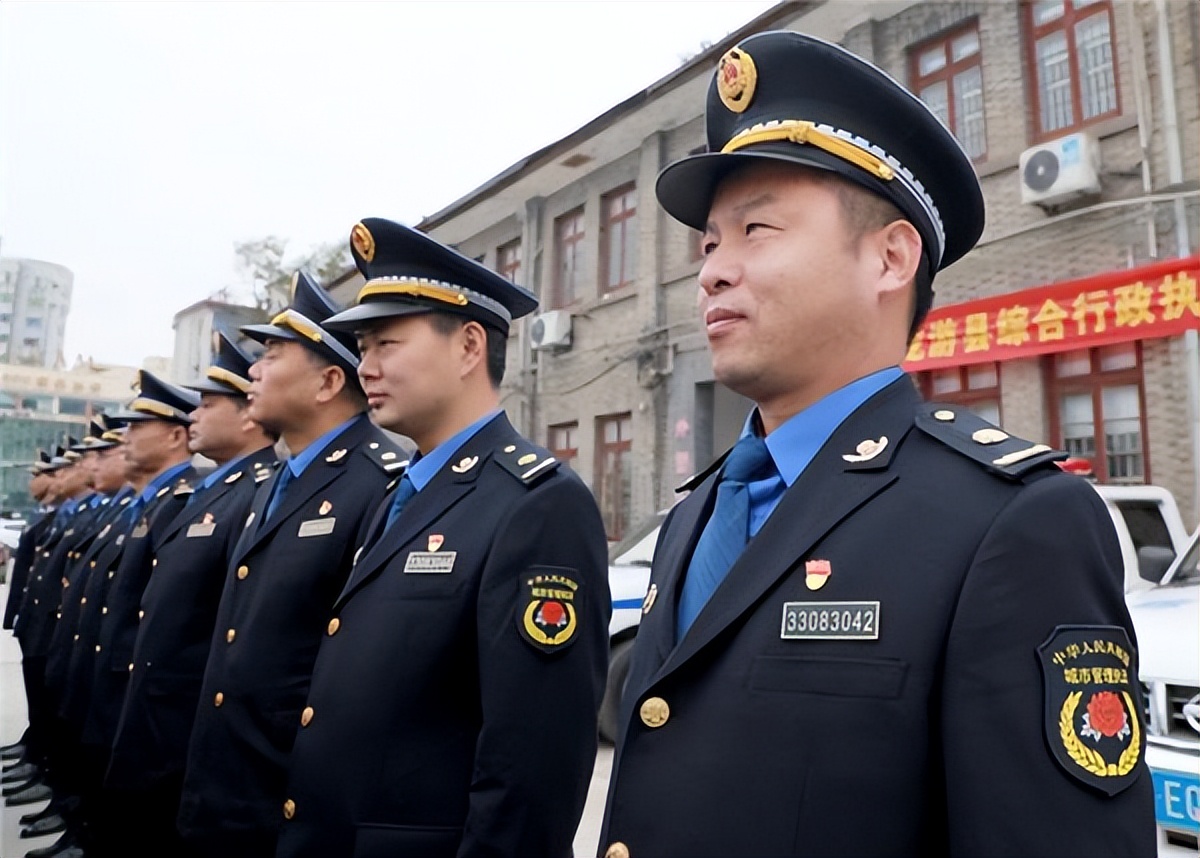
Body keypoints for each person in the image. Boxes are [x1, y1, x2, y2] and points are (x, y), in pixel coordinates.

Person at [598, 31, 1155, 858]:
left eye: (756, 229)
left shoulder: (1009, 524)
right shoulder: (698, 515)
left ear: (890, 258)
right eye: (710, 243)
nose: (711, 271)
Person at [271, 219, 610, 858]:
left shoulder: (537, 504)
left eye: (385, 343)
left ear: (468, 347)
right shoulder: (402, 494)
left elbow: (529, 770)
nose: (364, 366)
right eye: (362, 348)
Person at [179, 271, 405, 858]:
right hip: (228, 785)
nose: (253, 370)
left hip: (292, 800)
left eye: (272, 355)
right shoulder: (276, 480)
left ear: (330, 380)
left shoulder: (381, 483)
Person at [106, 334, 278, 855]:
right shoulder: (213, 491)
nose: (193, 416)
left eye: (207, 404)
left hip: (193, 718)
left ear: (249, 416)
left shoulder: (257, 490)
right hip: (163, 707)